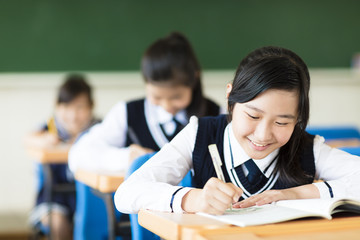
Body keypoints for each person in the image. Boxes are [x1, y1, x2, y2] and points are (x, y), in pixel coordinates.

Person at [114, 46, 360, 216]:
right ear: (230, 95)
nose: (263, 135)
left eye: (282, 123)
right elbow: (127, 193)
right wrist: (194, 199)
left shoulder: (307, 147)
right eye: (253, 116)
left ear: (298, 118)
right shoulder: (200, 134)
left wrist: (298, 194)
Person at [68, 32, 222, 173]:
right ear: (146, 84)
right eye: (157, 97)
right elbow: (77, 155)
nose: (167, 106)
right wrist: (126, 157)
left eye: (176, 97)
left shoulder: (217, 115)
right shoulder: (127, 114)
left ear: (194, 81)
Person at [27, 74, 99, 240]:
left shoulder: (100, 130)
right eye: (66, 107)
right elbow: (28, 138)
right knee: (57, 224)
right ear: (57, 107)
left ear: (91, 107)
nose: (73, 115)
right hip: (54, 198)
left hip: (91, 196)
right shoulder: (51, 129)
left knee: (95, 223)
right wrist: (45, 139)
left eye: (80, 107)